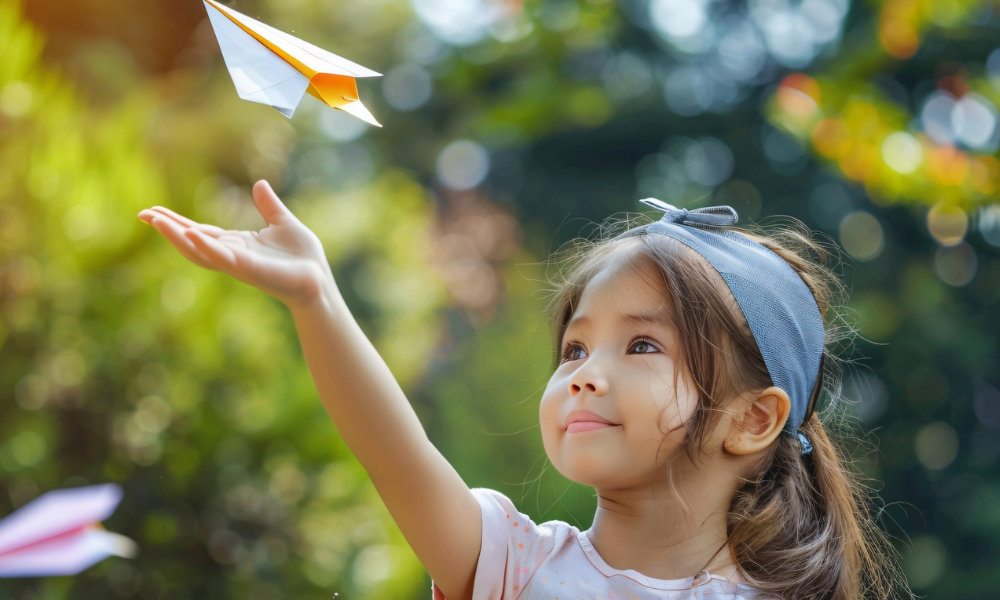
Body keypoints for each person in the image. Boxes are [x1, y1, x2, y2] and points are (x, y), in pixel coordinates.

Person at [138, 182, 910, 600]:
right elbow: (396, 453)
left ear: (751, 419)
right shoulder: (514, 567)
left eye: (642, 344)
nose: (583, 370)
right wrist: (317, 300)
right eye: (575, 346)